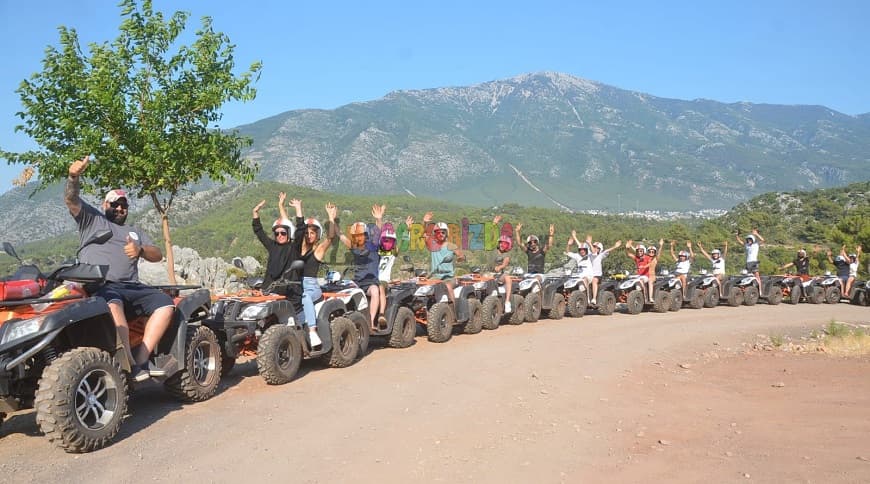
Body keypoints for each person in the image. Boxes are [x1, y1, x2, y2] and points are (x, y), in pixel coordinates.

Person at [65, 155, 173, 382]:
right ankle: (129, 365)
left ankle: (141, 358)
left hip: (132, 287)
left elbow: (158, 254)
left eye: (124, 205)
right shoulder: (91, 220)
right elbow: (72, 200)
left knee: (165, 304)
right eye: (115, 204)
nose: (120, 208)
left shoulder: (135, 232)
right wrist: (74, 177)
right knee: (113, 303)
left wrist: (140, 250)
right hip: (102, 286)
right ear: (105, 205)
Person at [296, 201, 338, 347]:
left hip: (311, 288)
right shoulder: (297, 250)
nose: (309, 236)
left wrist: (331, 218)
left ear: (317, 235)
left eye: (312, 233)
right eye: (306, 233)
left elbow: (330, 238)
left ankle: (312, 331)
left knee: (305, 297)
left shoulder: (318, 251)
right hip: (296, 285)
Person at [251, 192, 305, 294]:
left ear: (289, 234)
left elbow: (301, 230)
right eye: (277, 233)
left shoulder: (294, 248)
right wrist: (255, 213)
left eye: (283, 233)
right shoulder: (272, 246)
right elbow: (259, 232)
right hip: (268, 291)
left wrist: (298, 208)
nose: (280, 235)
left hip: (287, 293)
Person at [338, 215, 382, 329]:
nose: (358, 238)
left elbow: (378, 233)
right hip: (357, 282)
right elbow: (340, 236)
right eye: (355, 236)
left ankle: (371, 322)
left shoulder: (373, 246)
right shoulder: (354, 247)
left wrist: (378, 219)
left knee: (375, 291)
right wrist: (332, 218)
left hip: (370, 283)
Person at [374, 205, 413, 327]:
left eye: (389, 241)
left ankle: (381, 314)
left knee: (380, 287)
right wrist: (379, 219)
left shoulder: (392, 254)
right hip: (373, 280)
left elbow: (403, 243)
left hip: (383, 281)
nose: (386, 243)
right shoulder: (376, 251)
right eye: (384, 240)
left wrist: (407, 229)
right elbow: (376, 234)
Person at [421, 211, 465, 304]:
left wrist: (460, 258)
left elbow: (461, 255)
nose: (440, 234)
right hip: (435, 277)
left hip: (448, 277)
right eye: (438, 232)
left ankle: (453, 311)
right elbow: (424, 235)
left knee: (448, 286)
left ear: (446, 233)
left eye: (443, 232)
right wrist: (425, 222)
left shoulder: (451, 246)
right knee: (422, 289)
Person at [487, 217, 514, 314]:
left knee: (508, 278)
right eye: (502, 243)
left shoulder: (506, 254)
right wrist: (494, 224)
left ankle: (507, 302)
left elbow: (505, 262)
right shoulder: (493, 249)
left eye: (505, 244)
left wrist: (500, 267)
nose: (503, 245)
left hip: (498, 275)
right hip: (487, 273)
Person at [586, 234, 621, 305]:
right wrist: (575, 237)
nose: (595, 248)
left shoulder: (600, 255)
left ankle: (594, 299)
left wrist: (615, 246)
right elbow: (581, 247)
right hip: (589, 274)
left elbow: (608, 250)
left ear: (600, 249)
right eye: (594, 247)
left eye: (596, 247)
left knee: (594, 281)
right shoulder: (589, 254)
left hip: (597, 275)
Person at [626, 238, 663, 303]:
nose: (651, 253)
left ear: (654, 252)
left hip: (651, 275)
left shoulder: (655, 259)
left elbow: (659, 254)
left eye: (653, 252)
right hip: (642, 275)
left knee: (650, 281)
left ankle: (650, 298)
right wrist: (630, 246)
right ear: (647, 252)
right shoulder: (645, 257)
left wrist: (661, 246)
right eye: (650, 251)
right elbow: (638, 251)